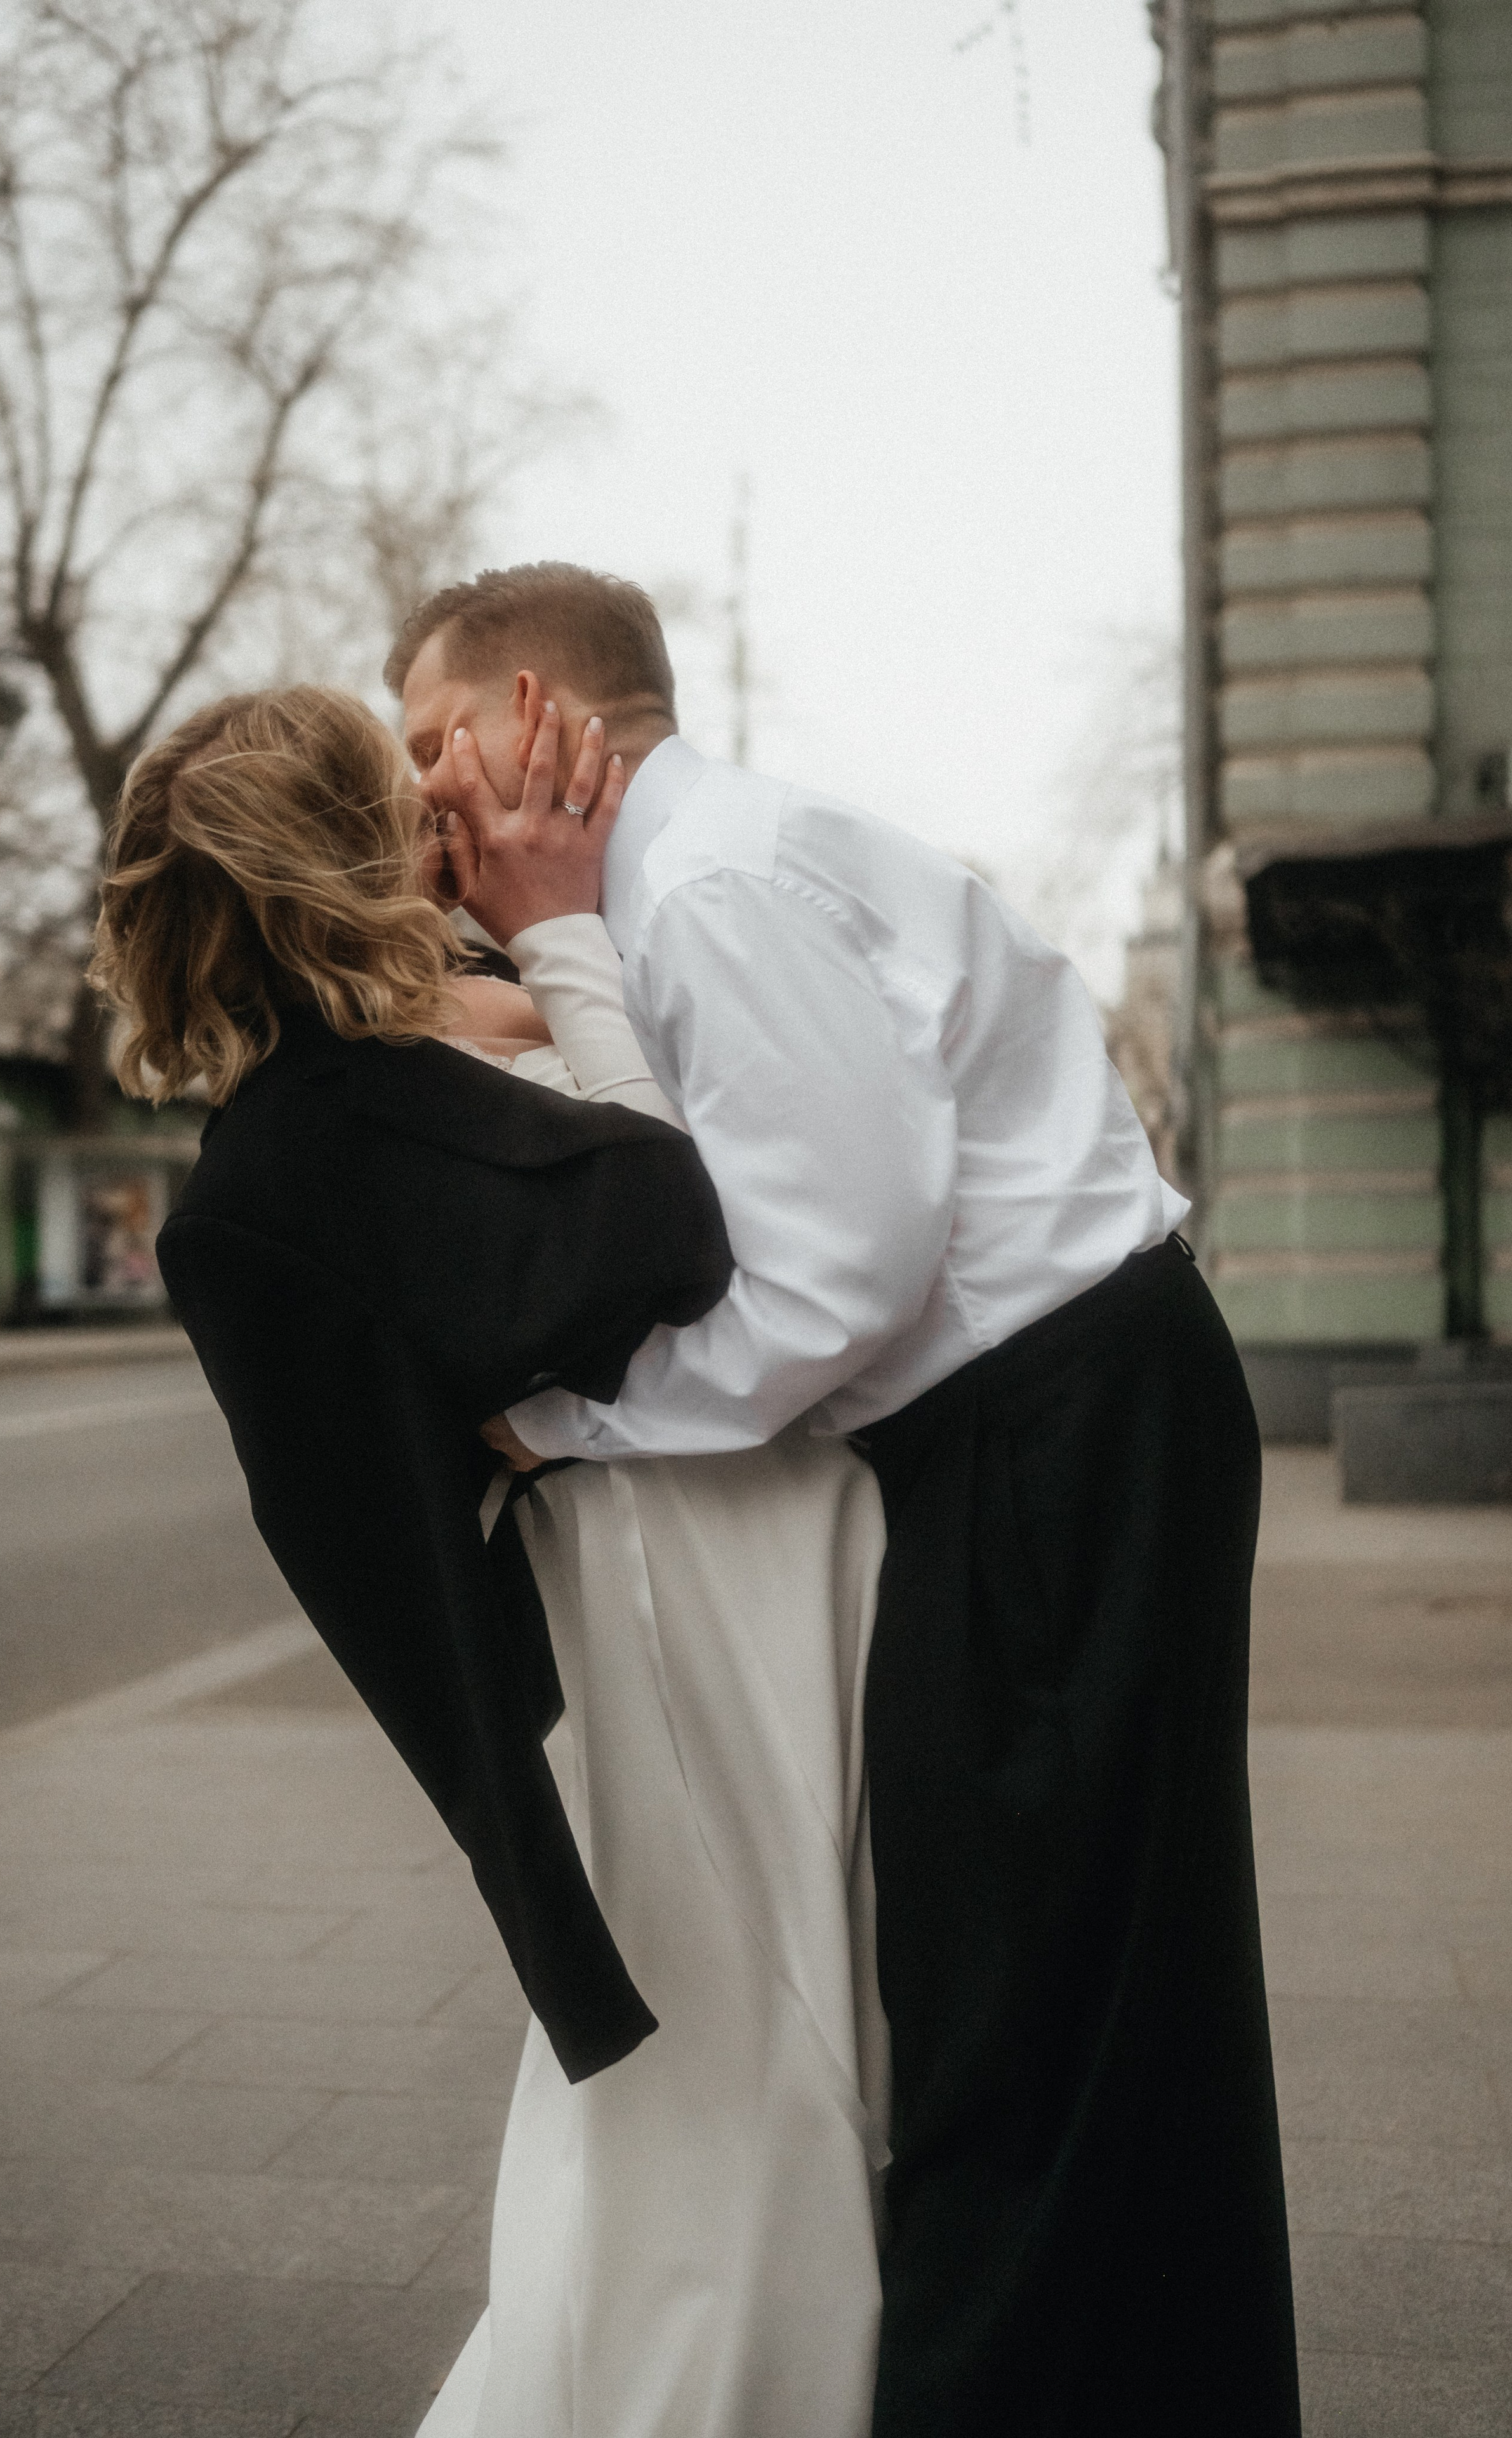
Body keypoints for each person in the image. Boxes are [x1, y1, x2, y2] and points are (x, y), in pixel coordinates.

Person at [395, 561, 1303, 2438]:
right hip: (1053, 1427)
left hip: (1058, 1437)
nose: (418, 798)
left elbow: (831, 1284)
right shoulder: (686, 874)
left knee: (1028, 2000)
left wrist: (563, 1421)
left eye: (429, 744)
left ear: (541, 712)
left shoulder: (710, 882)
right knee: (1049, 1981)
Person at [90, 684, 892, 2438]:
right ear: (356, 850)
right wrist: (574, 953)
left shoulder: (304, 1127)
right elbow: (695, 1225)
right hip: (680, 1582)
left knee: (752, 2035)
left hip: (693, 1560)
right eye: (403, 789)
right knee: (755, 2051)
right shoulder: (365, 1113)